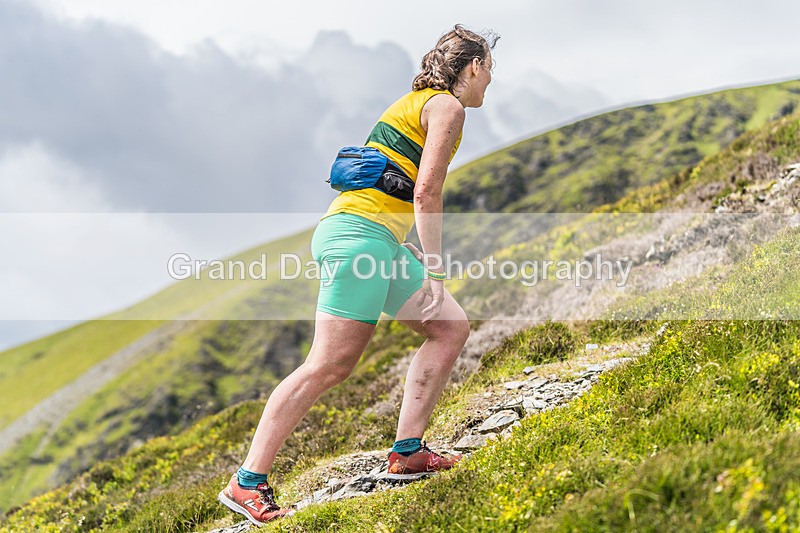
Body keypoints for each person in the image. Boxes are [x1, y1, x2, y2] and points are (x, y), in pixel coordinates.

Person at [218, 24, 499, 526]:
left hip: (373, 237)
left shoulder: (413, 104)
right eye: (489, 71)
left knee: (449, 328)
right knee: (328, 364)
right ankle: (247, 481)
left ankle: (408, 451)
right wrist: (434, 266)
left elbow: (390, 177)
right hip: (358, 239)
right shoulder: (447, 108)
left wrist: (402, 238)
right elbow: (426, 191)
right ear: (473, 66)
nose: (489, 83)